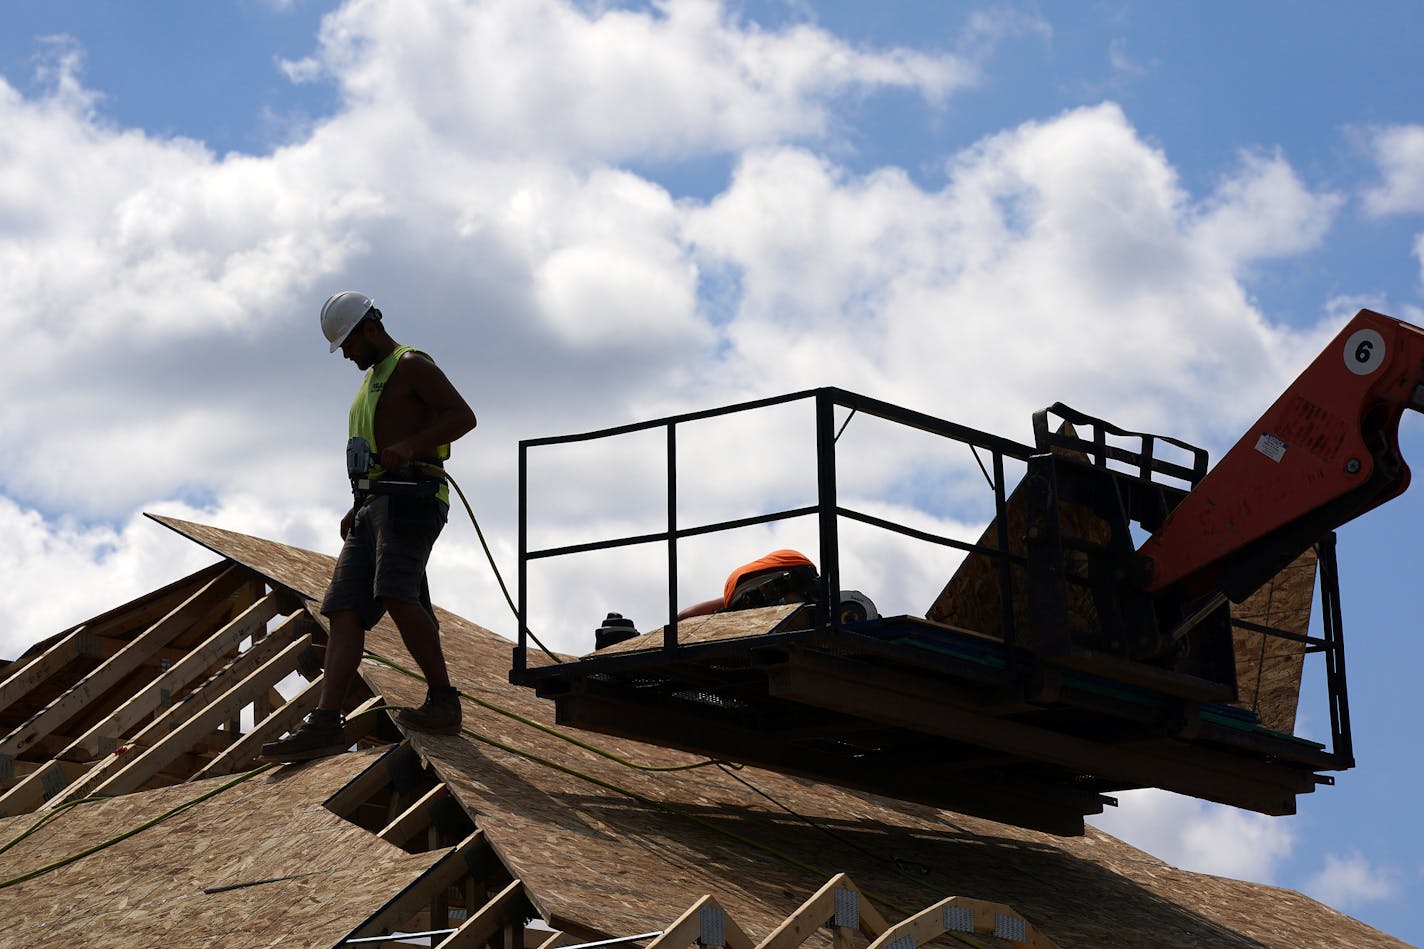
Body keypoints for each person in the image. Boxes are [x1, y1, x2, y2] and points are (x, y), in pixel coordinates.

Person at [261, 291, 478, 762]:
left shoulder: (411, 364)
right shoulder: (371, 383)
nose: (348, 356)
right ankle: (324, 722)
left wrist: (414, 446)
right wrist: (355, 503)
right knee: (343, 609)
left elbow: (463, 416)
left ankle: (443, 701)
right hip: (373, 504)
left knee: (396, 593)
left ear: (370, 328)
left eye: (349, 345)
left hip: (413, 498)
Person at [676, 549, 818, 620]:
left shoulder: (731, 597)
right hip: (794, 570)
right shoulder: (809, 578)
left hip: (738, 582)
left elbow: (687, 614)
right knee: (810, 615)